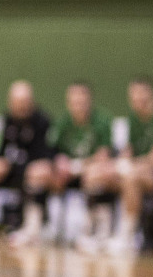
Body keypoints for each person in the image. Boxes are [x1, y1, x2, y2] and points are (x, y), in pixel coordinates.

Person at [81, 77, 153, 254]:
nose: (137, 101)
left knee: (131, 178)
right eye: (133, 97)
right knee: (96, 174)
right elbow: (130, 149)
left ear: (150, 94)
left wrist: (129, 166)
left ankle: (127, 237)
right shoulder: (133, 118)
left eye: (140, 96)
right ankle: (100, 232)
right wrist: (115, 164)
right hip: (137, 168)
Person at [0, 80, 54, 244]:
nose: (20, 107)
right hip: (13, 168)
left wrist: (10, 163)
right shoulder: (8, 119)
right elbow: (2, 148)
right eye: (16, 103)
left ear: (31, 102)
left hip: (31, 168)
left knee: (35, 176)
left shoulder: (42, 121)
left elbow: (41, 155)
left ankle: (31, 227)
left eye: (24, 102)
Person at [48, 81, 115, 249]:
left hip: (90, 171)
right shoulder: (63, 122)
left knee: (95, 174)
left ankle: (94, 232)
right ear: (68, 103)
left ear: (90, 101)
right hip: (68, 173)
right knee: (39, 172)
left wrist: (79, 166)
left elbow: (104, 155)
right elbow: (52, 149)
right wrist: (59, 161)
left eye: (82, 102)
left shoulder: (102, 120)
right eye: (74, 102)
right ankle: (41, 227)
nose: (79, 106)